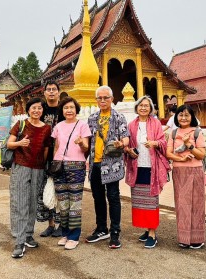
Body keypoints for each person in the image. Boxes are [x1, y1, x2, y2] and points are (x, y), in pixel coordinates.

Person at [7, 97, 52, 259]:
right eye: (33, 108)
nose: (36, 111)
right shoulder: (21, 124)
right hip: (21, 167)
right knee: (20, 202)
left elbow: (46, 149)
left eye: (39, 108)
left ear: (42, 111)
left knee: (33, 202)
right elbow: (9, 144)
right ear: (28, 110)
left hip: (38, 169)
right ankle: (19, 241)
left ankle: (28, 234)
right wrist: (20, 143)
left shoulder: (47, 128)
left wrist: (44, 166)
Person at [86, 85, 129, 249]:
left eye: (106, 98)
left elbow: (126, 137)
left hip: (112, 164)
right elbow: (87, 140)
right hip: (95, 163)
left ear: (112, 99)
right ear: (96, 100)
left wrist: (121, 143)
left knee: (113, 197)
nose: (103, 101)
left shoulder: (118, 117)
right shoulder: (92, 118)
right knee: (98, 197)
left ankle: (115, 232)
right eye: (100, 98)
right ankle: (101, 228)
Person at [124, 96, 169, 249]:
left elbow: (163, 142)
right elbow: (127, 145)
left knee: (151, 201)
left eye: (146, 106)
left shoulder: (155, 123)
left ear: (151, 108)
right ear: (137, 108)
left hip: (151, 167)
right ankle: (145, 228)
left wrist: (154, 143)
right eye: (141, 105)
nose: (143, 108)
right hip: (137, 167)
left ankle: (152, 233)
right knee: (139, 200)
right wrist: (129, 151)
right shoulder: (131, 125)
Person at [51, 97, 91, 250]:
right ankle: (66, 233)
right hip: (60, 167)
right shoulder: (58, 126)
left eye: (71, 108)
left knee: (74, 201)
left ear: (76, 110)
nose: (69, 110)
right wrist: (54, 164)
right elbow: (56, 147)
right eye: (66, 108)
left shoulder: (82, 125)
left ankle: (74, 236)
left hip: (76, 166)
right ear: (62, 110)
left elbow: (86, 147)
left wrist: (81, 142)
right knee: (63, 202)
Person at [166, 104, 206, 249]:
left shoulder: (197, 132)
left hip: (195, 170)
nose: (183, 118)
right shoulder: (173, 132)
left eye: (186, 115)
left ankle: (196, 239)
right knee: (182, 204)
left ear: (192, 117)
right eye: (180, 115)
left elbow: (201, 155)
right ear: (176, 117)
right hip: (179, 171)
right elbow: (168, 153)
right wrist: (180, 159)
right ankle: (183, 238)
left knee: (196, 204)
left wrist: (189, 145)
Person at [36, 80, 62, 238]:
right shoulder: (41, 110)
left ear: (59, 92)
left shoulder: (64, 108)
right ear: (44, 93)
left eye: (54, 89)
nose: (51, 92)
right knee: (45, 190)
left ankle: (61, 224)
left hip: (61, 157)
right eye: (48, 89)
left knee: (61, 191)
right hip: (43, 156)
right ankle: (50, 224)